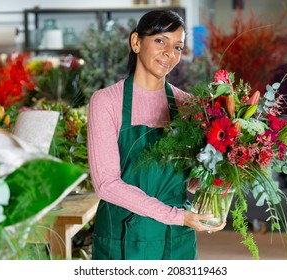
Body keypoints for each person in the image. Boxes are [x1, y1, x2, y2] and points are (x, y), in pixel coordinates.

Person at [87, 9, 226, 260]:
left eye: (178, 48)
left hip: (177, 240)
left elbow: (190, 180)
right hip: (124, 237)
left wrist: (222, 181)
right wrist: (176, 216)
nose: (169, 54)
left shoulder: (189, 105)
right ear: (136, 42)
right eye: (160, 40)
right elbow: (106, 185)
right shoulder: (107, 102)